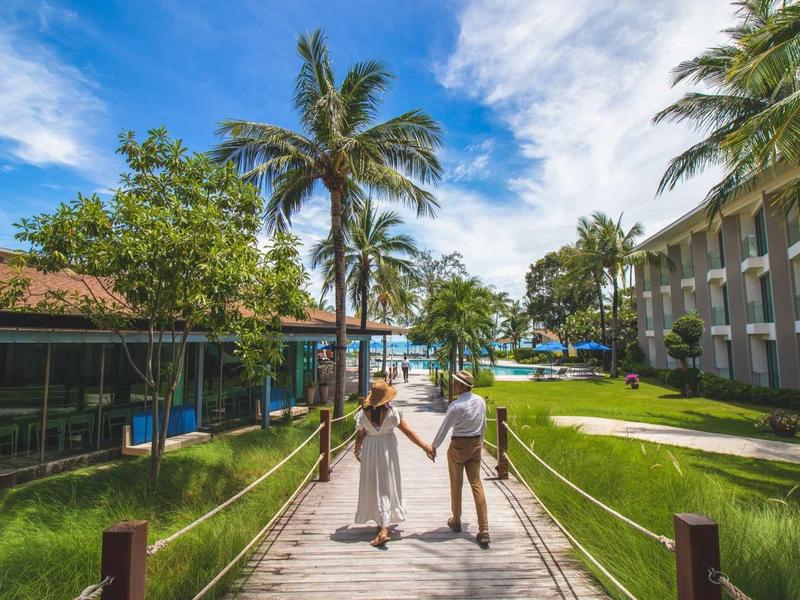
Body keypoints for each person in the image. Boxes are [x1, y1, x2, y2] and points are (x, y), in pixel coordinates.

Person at [354, 380, 434, 546]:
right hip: (387, 452)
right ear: (386, 399)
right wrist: (425, 446)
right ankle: (384, 528)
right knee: (386, 486)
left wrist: (357, 450)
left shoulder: (363, 414)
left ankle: (381, 522)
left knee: (375, 485)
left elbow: (360, 435)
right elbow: (408, 432)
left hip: (370, 451)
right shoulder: (392, 413)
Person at [429, 370, 490, 546]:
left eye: (456, 383)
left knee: (456, 484)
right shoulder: (480, 401)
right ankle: (484, 529)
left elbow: (444, 429)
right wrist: (481, 441)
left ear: (464, 386)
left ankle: (456, 520)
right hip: (475, 445)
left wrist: (433, 447)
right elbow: (483, 424)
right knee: (476, 484)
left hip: (458, 447)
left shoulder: (456, 406)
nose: (453, 385)